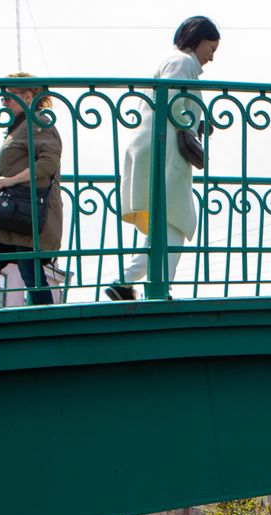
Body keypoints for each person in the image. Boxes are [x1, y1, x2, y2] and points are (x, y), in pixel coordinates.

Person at [107, 16, 220, 301]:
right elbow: (172, 103)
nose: (212, 56)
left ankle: (125, 281)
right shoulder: (183, 62)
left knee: (167, 224)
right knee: (177, 220)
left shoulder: (177, 62)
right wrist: (191, 124)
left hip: (158, 146)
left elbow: (173, 104)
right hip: (164, 149)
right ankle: (153, 287)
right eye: (211, 47)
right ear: (198, 38)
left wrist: (195, 122)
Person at [0, 77, 63, 307]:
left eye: (8, 96)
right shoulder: (22, 127)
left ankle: (49, 322)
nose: (3, 102)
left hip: (24, 214)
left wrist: (9, 180)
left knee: (28, 269)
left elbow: (48, 164)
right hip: (13, 215)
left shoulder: (38, 123)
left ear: (28, 97)